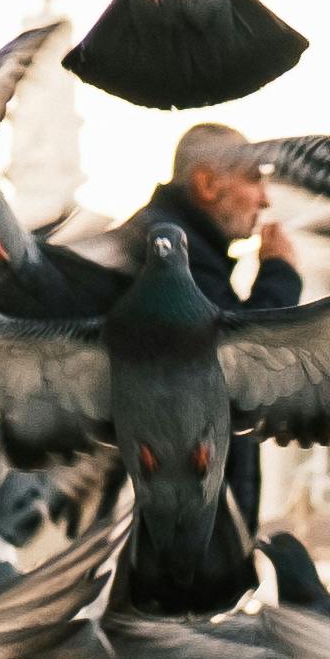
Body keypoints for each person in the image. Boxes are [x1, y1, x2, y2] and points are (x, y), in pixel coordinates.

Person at [125, 123, 304, 552]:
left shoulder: (180, 249)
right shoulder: (167, 253)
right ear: (207, 183)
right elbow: (237, 362)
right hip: (175, 547)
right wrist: (282, 274)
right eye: (253, 178)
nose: (265, 199)